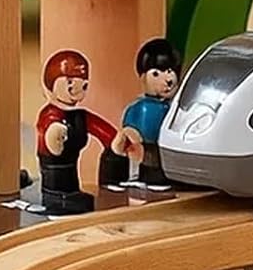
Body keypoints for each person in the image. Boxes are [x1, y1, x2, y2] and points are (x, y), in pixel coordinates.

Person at [35, 50, 120, 215]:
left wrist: (116, 141)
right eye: (69, 82)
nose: (76, 89)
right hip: (54, 184)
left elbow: (102, 129)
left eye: (83, 85)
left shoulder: (80, 116)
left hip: (73, 184)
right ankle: (57, 200)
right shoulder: (49, 115)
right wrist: (54, 135)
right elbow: (48, 137)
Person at [100, 38, 182, 191]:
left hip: (164, 151)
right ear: (143, 77)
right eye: (156, 74)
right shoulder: (141, 107)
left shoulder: (172, 106)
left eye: (170, 71)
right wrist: (131, 137)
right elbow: (129, 131)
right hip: (144, 150)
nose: (168, 79)